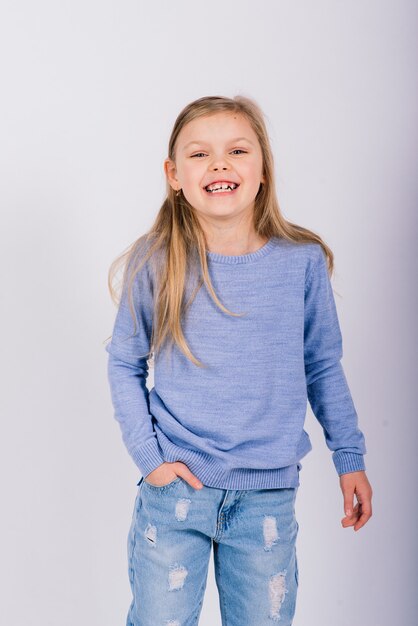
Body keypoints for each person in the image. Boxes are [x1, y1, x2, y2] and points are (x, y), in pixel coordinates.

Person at [105, 94, 373, 626]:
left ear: (263, 170)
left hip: (267, 498)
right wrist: (151, 462)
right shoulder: (157, 260)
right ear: (174, 174)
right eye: (200, 154)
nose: (220, 164)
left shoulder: (302, 262)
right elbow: (124, 364)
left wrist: (350, 457)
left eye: (237, 150)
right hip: (177, 490)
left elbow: (323, 365)